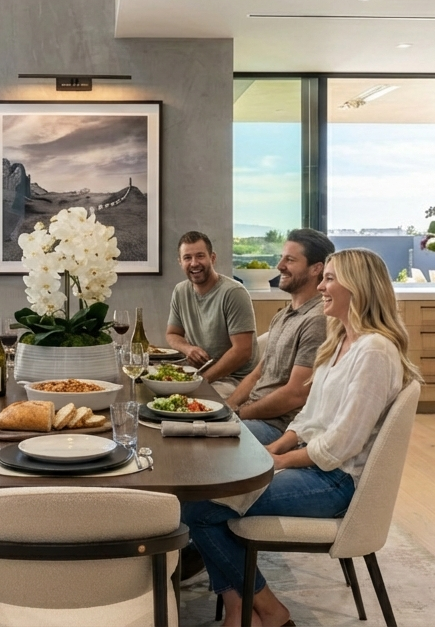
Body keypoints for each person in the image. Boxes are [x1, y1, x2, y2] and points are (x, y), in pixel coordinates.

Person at [182, 248, 420, 627]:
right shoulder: (340, 341)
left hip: (335, 482)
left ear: (357, 287)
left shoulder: (375, 351)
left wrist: (278, 461)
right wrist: (273, 448)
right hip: (314, 468)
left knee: (199, 509)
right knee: (201, 493)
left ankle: (268, 611)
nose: (321, 287)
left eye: (330, 279)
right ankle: (241, 608)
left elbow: (341, 445)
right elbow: (310, 417)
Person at [225, 229, 334, 445]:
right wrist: (227, 409)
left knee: (203, 443)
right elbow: (258, 374)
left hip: (278, 427)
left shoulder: (317, 320)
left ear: (316, 268)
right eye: (282, 258)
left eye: (290, 260)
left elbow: (296, 394)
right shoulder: (283, 315)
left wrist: (239, 414)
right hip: (252, 416)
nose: (280, 266)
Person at [165, 230, 260, 397]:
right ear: (180, 262)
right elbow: (172, 334)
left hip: (235, 380)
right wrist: (188, 349)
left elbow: (243, 351)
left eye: (200, 256)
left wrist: (202, 380)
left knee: (185, 401)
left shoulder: (234, 293)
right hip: (200, 374)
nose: (194, 263)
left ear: (212, 258)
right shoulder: (180, 291)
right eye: (187, 258)